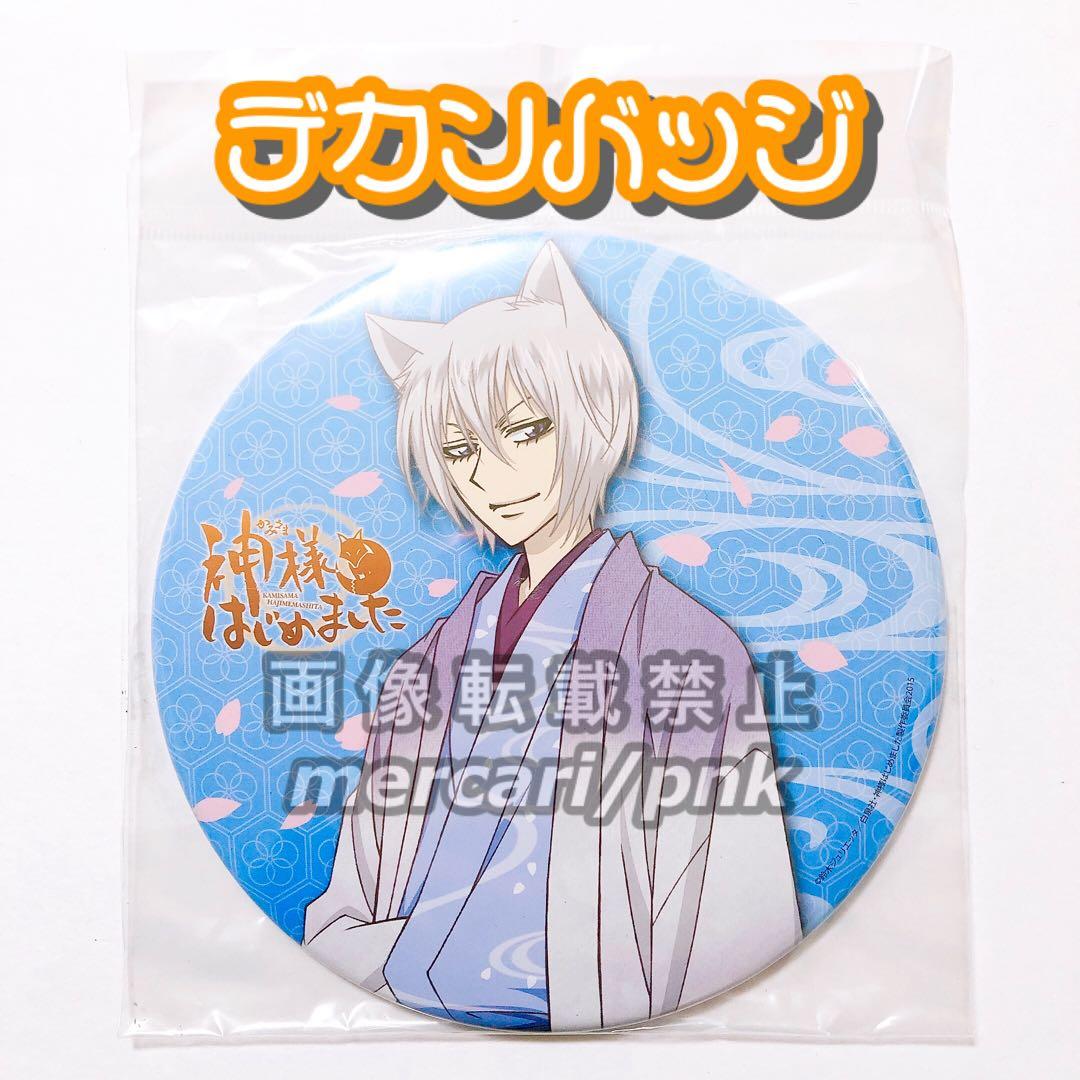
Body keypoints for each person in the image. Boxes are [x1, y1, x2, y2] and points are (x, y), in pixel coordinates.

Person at [303, 240, 801, 1031]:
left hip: (607, 1015)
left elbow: (734, 917)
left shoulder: (685, 648)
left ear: (592, 414)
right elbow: (361, 881)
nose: (487, 476)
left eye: (526, 430)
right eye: (459, 450)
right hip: (412, 1013)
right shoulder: (430, 661)